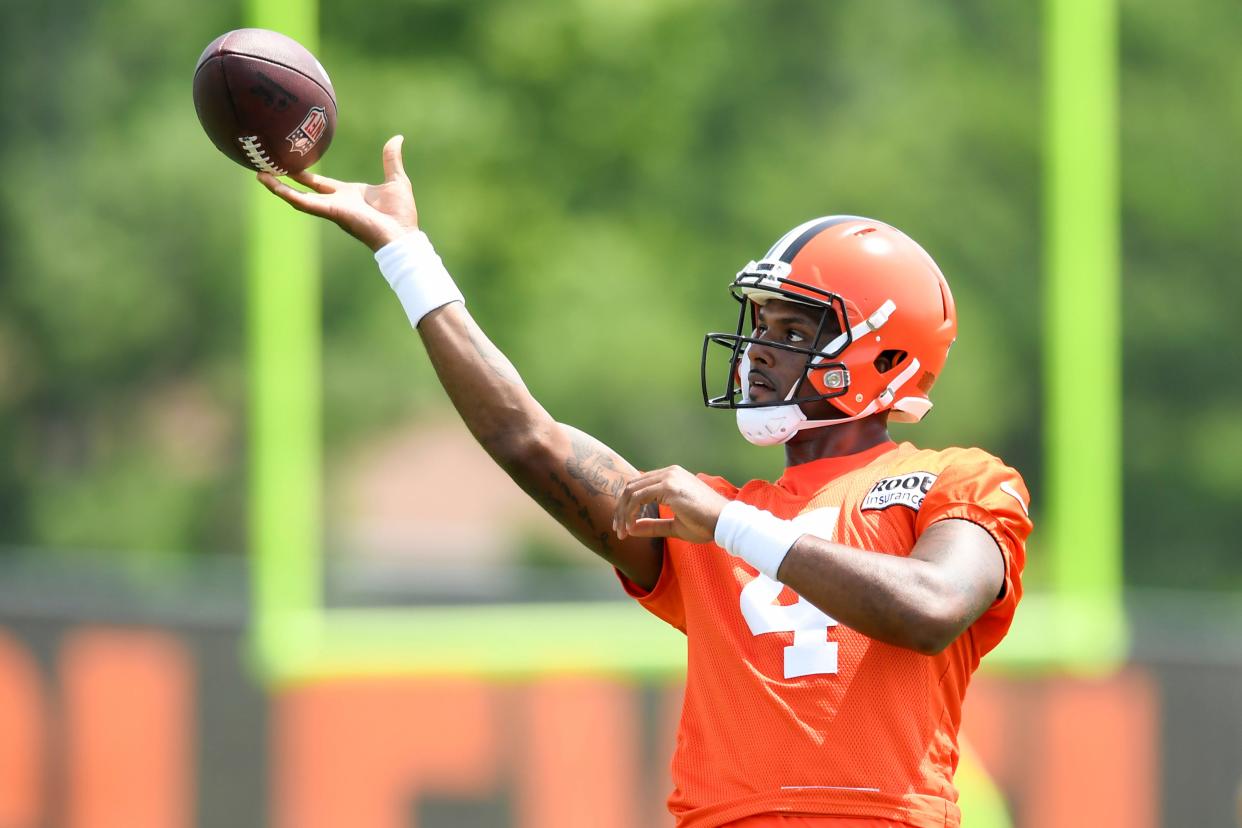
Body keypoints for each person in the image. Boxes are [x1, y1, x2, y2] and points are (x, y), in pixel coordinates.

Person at [259, 136, 1031, 828]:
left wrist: (728, 525)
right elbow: (526, 437)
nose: (758, 351)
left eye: (793, 332)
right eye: (760, 326)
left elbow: (930, 608)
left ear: (887, 361)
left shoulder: (954, 481)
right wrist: (406, 254)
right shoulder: (705, 518)